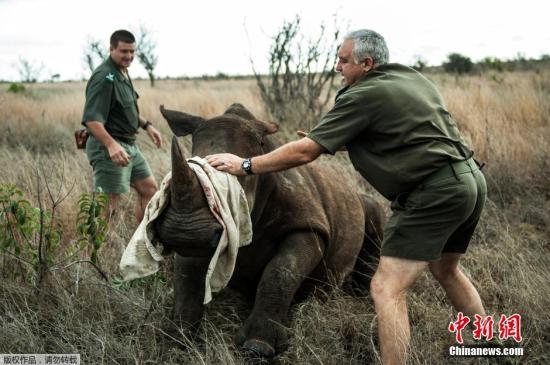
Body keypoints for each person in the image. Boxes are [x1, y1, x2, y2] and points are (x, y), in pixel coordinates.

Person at [206, 29, 487, 365]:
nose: (337, 66)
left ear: (366, 63)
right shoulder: (411, 79)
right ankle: (490, 344)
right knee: (448, 271)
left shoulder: (360, 95)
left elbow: (305, 152)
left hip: (432, 193)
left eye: (343, 60)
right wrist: (334, 139)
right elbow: (403, 129)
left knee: (386, 289)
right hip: (469, 180)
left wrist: (247, 164)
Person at [82, 29, 162, 223]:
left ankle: (141, 243)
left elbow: (126, 109)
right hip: (109, 147)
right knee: (107, 207)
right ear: (111, 49)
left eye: (132, 52)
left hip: (129, 146)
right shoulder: (104, 77)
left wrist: (147, 126)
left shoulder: (122, 72)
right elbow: (92, 119)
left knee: (150, 190)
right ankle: (91, 251)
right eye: (124, 51)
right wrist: (111, 145)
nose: (129, 56)